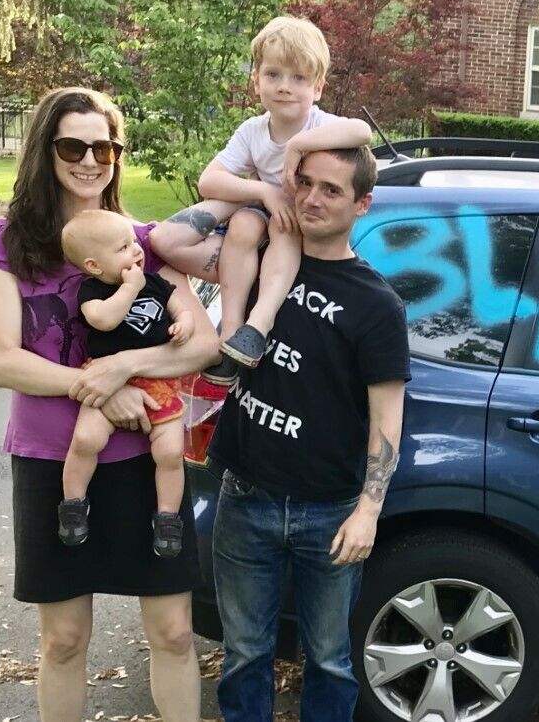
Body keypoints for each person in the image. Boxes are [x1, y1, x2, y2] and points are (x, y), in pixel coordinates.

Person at [0, 86, 219, 722]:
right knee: (63, 640)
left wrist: (123, 369)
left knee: (171, 632)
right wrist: (98, 390)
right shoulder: (9, 244)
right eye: (72, 145)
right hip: (52, 461)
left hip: (145, 462)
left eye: (104, 146)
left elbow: (203, 345)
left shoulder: (144, 244)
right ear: (44, 151)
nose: (91, 159)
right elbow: (3, 360)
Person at [206, 145, 409, 721]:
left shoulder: (376, 304)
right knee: (244, 653)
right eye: (305, 183)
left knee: (329, 658)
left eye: (332, 190)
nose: (312, 199)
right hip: (244, 496)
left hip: (330, 510)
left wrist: (369, 510)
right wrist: (259, 193)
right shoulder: (254, 254)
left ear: (363, 204)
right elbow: (166, 239)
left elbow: (387, 417)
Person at [147, 15, 372, 385]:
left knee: (281, 226)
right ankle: (230, 336)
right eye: (273, 75)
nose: (284, 86)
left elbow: (361, 131)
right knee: (245, 222)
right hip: (261, 218)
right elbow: (209, 180)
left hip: (293, 223)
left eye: (298, 78)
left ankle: (259, 325)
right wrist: (263, 191)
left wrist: (300, 145)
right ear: (256, 82)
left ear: (317, 87)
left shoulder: (319, 126)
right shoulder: (253, 130)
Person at [57, 210, 194, 557]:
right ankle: (73, 504)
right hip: (105, 379)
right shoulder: (93, 291)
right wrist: (130, 289)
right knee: (86, 439)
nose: (135, 251)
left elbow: (182, 308)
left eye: (134, 242)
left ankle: (167, 518)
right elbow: (103, 321)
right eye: (122, 248)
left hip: (158, 377)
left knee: (170, 452)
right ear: (94, 265)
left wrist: (184, 325)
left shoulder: (156, 283)